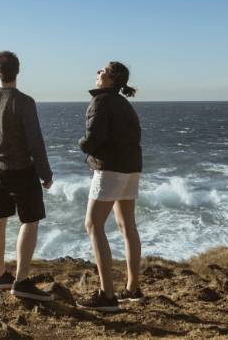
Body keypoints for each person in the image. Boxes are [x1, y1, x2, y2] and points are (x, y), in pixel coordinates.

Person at [0, 51, 54, 301]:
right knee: (29, 221)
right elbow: (35, 142)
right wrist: (45, 173)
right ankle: (21, 281)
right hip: (22, 169)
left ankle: (0, 276)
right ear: (18, 71)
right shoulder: (25, 102)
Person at [75, 61, 144, 312]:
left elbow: (94, 138)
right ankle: (133, 288)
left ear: (112, 79)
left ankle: (107, 295)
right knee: (127, 226)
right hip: (132, 167)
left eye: (102, 70)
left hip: (111, 168)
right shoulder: (126, 105)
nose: (97, 72)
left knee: (93, 224)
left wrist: (82, 145)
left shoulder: (101, 101)